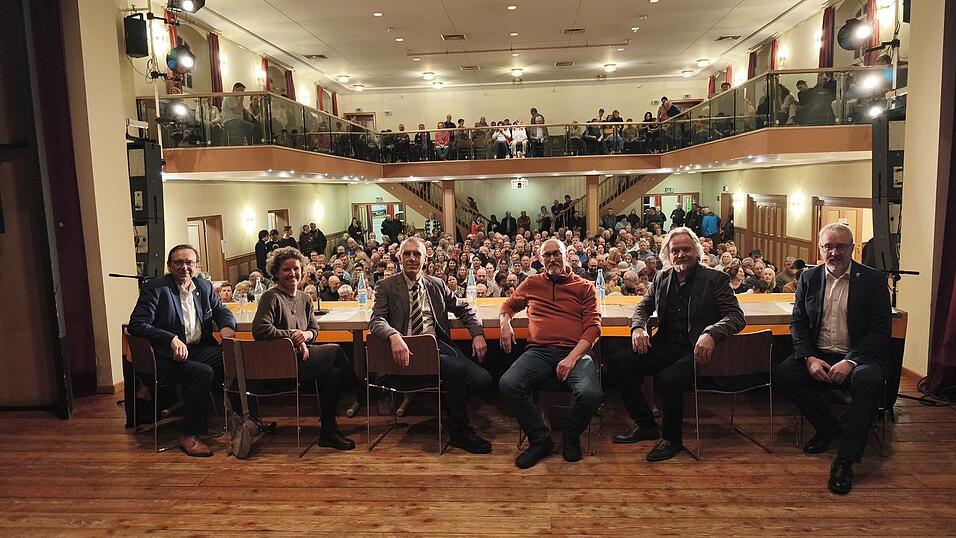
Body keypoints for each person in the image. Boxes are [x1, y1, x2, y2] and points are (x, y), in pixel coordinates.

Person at [608, 227, 745, 462]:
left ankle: (672, 439)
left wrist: (711, 333)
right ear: (668, 255)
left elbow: (736, 316)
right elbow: (643, 307)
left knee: (668, 379)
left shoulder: (715, 279)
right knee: (619, 362)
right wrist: (638, 327)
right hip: (665, 345)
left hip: (697, 350)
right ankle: (646, 425)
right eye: (675, 250)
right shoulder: (662, 277)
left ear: (697, 252)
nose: (681, 255)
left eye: (686, 249)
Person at [774, 223, 891, 495]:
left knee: (869, 381)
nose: (834, 252)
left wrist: (851, 361)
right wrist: (808, 358)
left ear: (852, 248)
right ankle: (827, 426)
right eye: (828, 246)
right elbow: (798, 323)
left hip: (860, 356)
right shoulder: (809, 278)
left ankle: (845, 461)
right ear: (820, 248)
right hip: (820, 352)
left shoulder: (873, 280)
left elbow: (881, 329)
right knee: (784, 374)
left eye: (840, 246)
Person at [369, 237, 494, 453]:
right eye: (406, 254)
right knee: (455, 371)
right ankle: (459, 431)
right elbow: (376, 320)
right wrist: (393, 335)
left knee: (483, 379)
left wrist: (478, 334)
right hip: (403, 351)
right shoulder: (386, 286)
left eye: (417, 254)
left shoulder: (436, 284)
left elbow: (464, 308)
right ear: (399, 258)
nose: (411, 258)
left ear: (425, 259)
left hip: (434, 346)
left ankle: (450, 406)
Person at [498, 238, 603, 468]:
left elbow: (594, 328)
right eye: (547, 255)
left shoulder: (585, 287)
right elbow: (508, 306)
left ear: (567, 255)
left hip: (574, 352)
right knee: (508, 384)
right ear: (540, 259)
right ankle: (540, 439)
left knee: (590, 393)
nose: (552, 259)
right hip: (539, 351)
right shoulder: (531, 283)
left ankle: (571, 433)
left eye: (557, 253)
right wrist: (504, 323)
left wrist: (572, 358)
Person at [127, 245, 237, 457]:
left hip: (197, 350)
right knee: (203, 372)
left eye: (189, 262)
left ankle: (245, 421)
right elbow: (137, 324)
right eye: (178, 262)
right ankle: (190, 435)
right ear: (170, 265)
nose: (184, 267)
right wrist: (170, 339)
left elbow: (222, 311)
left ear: (197, 266)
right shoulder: (157, 288)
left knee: (234, 357)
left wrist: (227, 329)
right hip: (165, 357)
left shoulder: (203, 287)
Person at [252, 247, 355, 450]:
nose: (292, 274)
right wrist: (293, 337)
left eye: (296, 269)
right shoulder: (271, 297)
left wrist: (305, 336)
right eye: (286, 270)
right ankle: (359, 389)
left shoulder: (305, 298)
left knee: (333, 374)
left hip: (302, 359)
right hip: (280, 365)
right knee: (334, 350)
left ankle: (328, 432)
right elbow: (260, 330)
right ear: (276, 273)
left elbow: (313, 328)